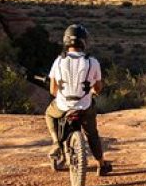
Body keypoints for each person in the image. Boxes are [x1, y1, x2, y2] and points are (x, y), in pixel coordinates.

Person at [46, 24, 112, 176]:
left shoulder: (58, 61)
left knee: (50, 114)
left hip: (63, 105)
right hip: (85, 105)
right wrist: (92, 91)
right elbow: (98, 88)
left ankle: (56, 142)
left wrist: (63, 96)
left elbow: (52, 90)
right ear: (83, 41)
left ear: (66, 40)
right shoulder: (92, 62)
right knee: (92, 133)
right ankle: (101, 164)